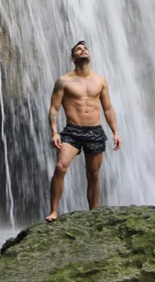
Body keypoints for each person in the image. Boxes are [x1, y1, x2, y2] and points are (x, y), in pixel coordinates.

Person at [45, 40, 122, 222]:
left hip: (95, 130)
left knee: (93, 174)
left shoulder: (100, 80)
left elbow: (108, 108)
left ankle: (93, 213)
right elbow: (54, 108)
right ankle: (54, 211)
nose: (83, 50)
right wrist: (55, 132)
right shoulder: (63, 81)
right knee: (60, 166)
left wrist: (115, 132)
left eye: (85, 48)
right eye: (79, 49)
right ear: (73, 58)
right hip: (72, 131)